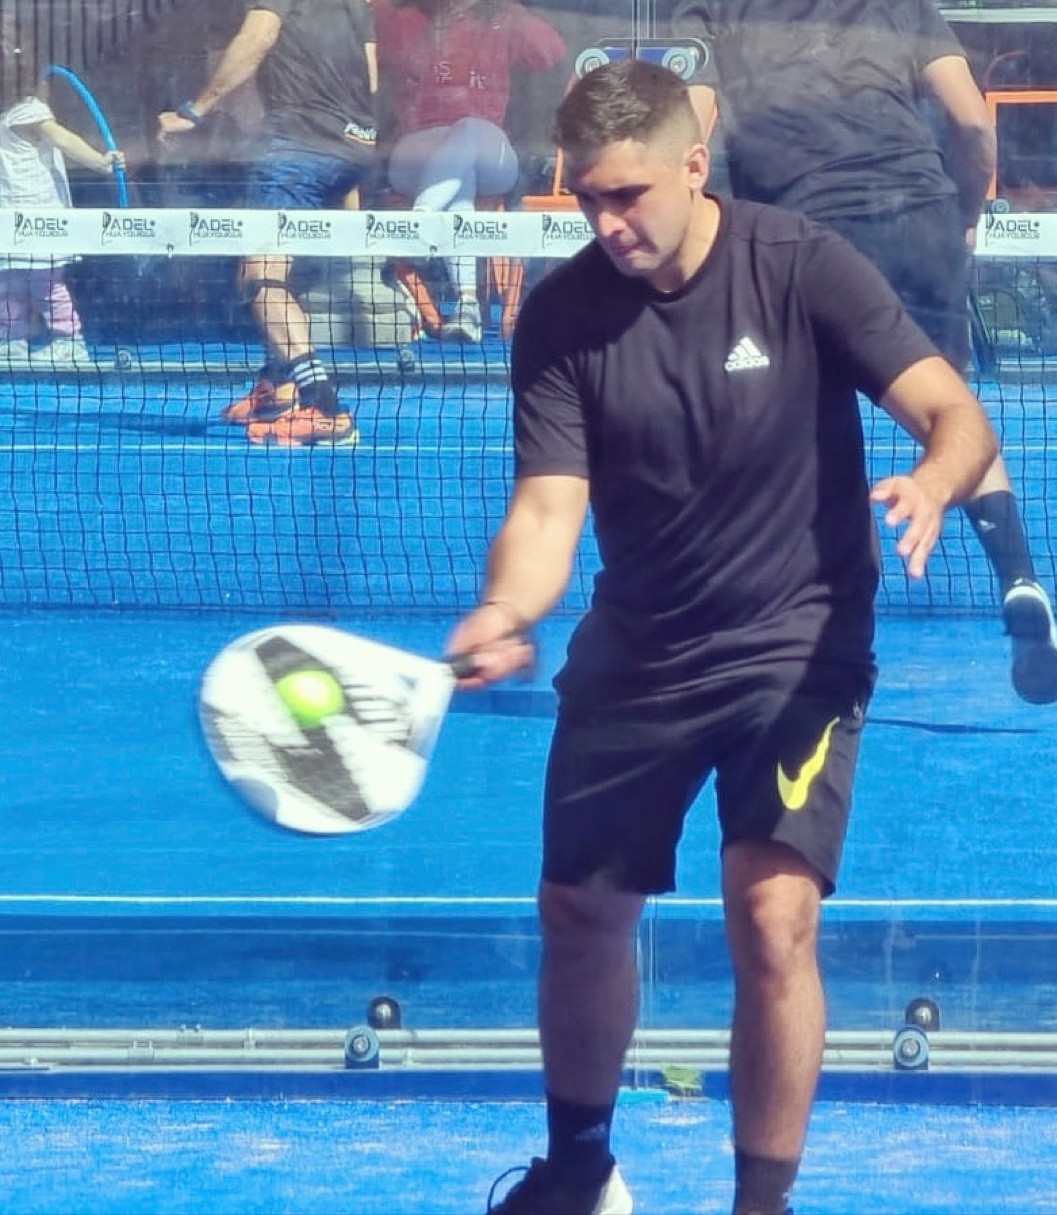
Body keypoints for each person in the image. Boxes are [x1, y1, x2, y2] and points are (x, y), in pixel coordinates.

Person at [447, 58, 1000, 1215]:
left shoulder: (800, 265)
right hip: (641, 646)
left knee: (773, 914)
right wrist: (506, 610)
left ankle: (762, 1205)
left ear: (693, 165)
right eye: (586, 198)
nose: (607, 222)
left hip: (799, 647)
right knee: (579, 910)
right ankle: (579, 1172)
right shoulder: (560, 317)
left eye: (628, 194)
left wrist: (935, 481)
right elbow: (547, 511)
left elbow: (953, 411)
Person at [673, 0, 1057, 705]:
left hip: (802, 232)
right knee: (949, 410)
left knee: (789, 425)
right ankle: (1019, 576)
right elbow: (972, 122)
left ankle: (793, 626)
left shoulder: (711, 7)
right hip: (919, 220)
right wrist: (966, 214)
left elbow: (689, 130)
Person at [157, 0, 378, 447]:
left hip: (299, 150)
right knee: (280, 276)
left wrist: (192, 112)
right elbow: (370, 79)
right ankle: (277, 386)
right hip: (355, 149)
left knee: (260, 277)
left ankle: (325, 408)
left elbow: (256, 39)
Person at [374, 0, 564, 342]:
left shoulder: (502, 19)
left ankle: (419, 224)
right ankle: (468, 305)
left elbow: (550, 52)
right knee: (458, 183)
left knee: (468, 130)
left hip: (488, 147)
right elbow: (372, 37)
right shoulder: (407, 19)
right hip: (418, 151)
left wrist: (504, 9)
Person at [0, 31, 126, 368]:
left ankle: (69, 341)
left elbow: (65, 140)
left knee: (46, 283)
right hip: (8, 216)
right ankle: (11, 340)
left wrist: (101, 162)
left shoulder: (29, 111)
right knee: (8, 283)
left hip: (41, 217)